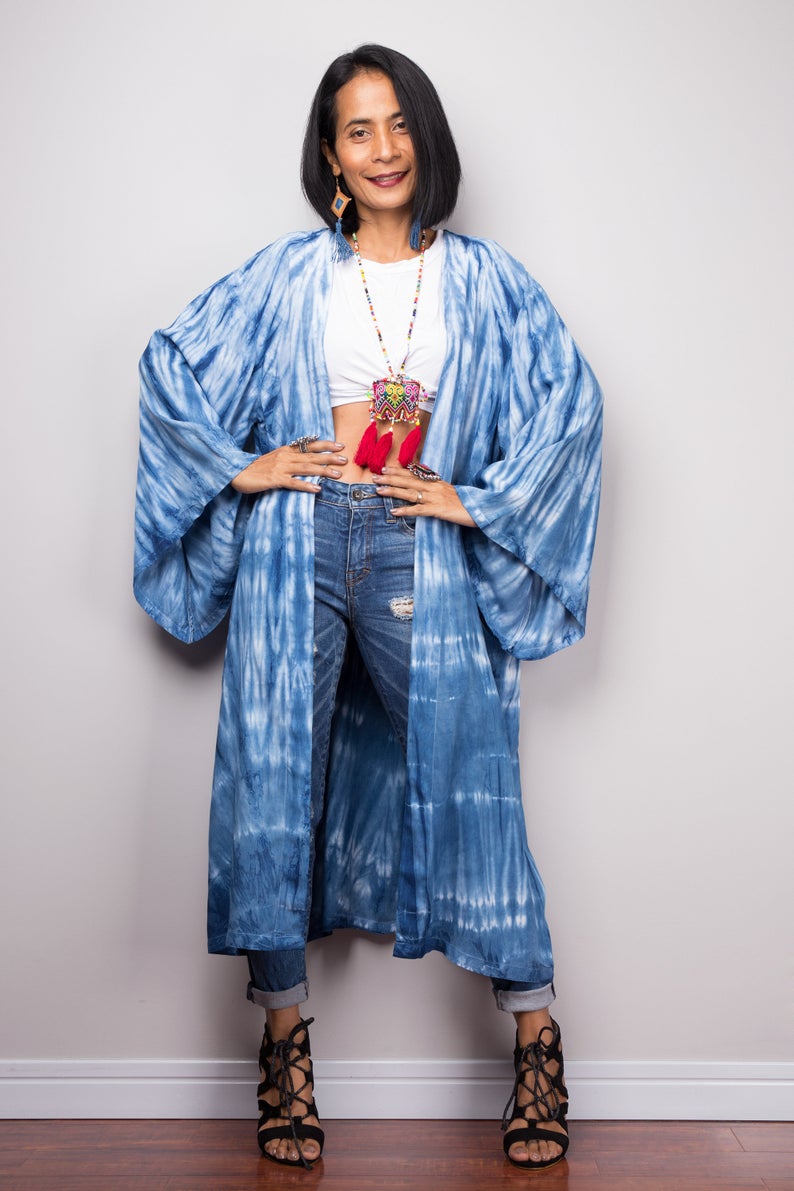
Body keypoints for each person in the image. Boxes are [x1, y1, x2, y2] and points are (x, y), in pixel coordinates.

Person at [134, 44, 602, 1173]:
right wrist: (240, 469)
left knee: (465, 772)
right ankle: (282, 1048)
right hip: (297, 532)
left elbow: (570, 408)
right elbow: (168, 369)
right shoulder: (290, 274)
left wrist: (473, 500)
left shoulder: (485, 280)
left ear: (423, 138)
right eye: (356, 130)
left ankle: (536, 1041)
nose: (381, 148)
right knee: (272, 783)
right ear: (331, 156)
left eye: (396, 125)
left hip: (417, 548)